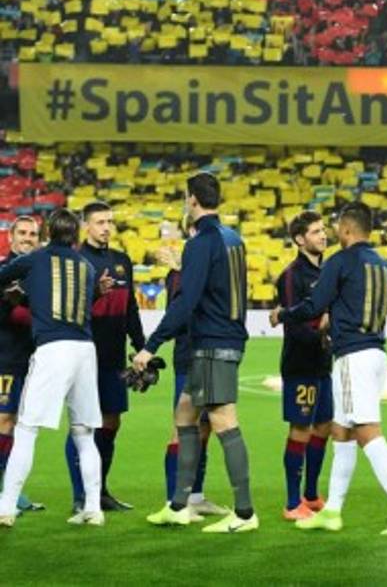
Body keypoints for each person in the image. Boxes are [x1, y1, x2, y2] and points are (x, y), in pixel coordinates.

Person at [272, 202, 387, 536]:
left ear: (346, 230)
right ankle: (332, 511)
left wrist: (281, 315)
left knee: (366, 431)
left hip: (351, 355)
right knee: (340, 431)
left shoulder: (340, 261)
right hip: (374, 351)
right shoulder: (382, 264)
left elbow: (314, 305)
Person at [136, 172, 258, 533]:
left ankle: (246, 513)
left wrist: (150, 345)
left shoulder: (201, 242)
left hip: (213, 343)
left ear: (191, 200)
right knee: (185, 417)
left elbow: (185, 301)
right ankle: (179, 504)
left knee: (223, 420)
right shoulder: (233, 238)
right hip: (225, 338)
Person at [0, 209, 104, 527]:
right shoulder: (87, 266)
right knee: (84, 434)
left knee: (27, 430)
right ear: (75, 235)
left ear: (47, 233)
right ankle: (92, 508)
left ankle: (6, 508)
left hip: (52, 349)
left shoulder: (36, 259)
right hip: (86, 350)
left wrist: (19, 297)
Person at [69, 201, 145, 512]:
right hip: (84, 356)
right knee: (83, 425)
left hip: (113, 359)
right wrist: (95, 294)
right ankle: (80, 497)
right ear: (86, 225)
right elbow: (70, 311)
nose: (106, 228)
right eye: (99, 222)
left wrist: (142, 347)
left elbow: (131, 310)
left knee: (111, 423)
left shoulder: (122, 261)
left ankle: (99, 492)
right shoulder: (76, 261)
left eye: (109, 222)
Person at [154, 227, 222, 519]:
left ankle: (195, 496)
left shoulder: (198, 271)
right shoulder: (178, 277)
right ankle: (174, 502)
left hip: (211, 355)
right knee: (183, 429)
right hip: (189, 356)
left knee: (204, 427)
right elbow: (179, 315)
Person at [274, 211, 333, 520]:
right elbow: (293, 324)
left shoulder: (327, 272)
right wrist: (321, 332)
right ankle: (291, 501)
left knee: (323, 426)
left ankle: (310, 494)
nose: (323, 236)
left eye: (323, 230)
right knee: (300, 428)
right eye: (315, 232)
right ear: (299, 239)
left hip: (323, 363)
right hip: (300, 363)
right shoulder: (291, 276)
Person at [0, 216, 45, 515]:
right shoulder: (4, 272)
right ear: (12, 237)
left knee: (20, 426)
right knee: (4, 421)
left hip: (34, 361)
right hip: (5, 358)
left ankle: (11, 488)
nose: (28, 238)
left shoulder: (38, 270)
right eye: (23, 233)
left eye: (34, 234)